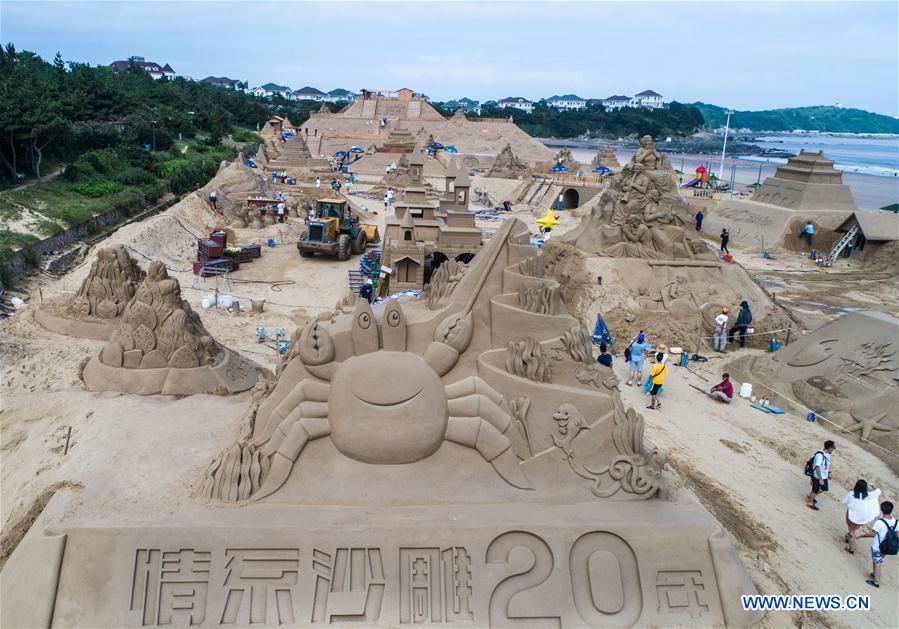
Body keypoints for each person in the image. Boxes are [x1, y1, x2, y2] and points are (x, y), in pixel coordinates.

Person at [857, 502, 897, 588]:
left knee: (877, 563)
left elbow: (873, 534)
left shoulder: (880, 522)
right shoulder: (896, 522)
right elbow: (897, 534)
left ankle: (876, 582)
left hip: (878, 547)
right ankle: (874, 574)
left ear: (881, 510)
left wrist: (861, 536)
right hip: (887, 546)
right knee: (878, 560)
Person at [842, 480, 882, 554]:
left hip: (852, 517)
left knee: (852, 532)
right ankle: (849, 537)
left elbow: (844, 502)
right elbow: (879, 491)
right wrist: (873, 486)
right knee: (852, 530)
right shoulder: (870, 495)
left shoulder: (852, 494)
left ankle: (851, 548)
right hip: (861, 519)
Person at [805, 440, 836, 511]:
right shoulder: (820, 455)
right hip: (817, 476)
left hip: (824, 475)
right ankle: (810, 503)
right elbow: (817, 467)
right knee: (815, 490)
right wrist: (820, 479)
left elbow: (827, 464)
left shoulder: (827, 453)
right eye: (833, 448)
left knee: (824, 488)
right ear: (830, 448)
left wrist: (829, 472)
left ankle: (811, 496)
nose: (833, 449)